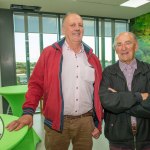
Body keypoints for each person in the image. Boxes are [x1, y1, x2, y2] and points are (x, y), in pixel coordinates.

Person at [7, 12, 103, 150]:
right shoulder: (49, 53)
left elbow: (98, 92)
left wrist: (98, 122)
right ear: (64, 29)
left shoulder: (92, 58)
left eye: (80, 25)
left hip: (85, 122)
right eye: (72, 25)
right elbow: (36, 85)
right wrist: (28, 112)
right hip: (56, 123)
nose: (77, 28)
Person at [100, 31, 150, 150]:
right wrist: (138, 97)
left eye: (128, 43)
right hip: (118, 138)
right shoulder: (108, 73)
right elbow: (108, 102)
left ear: (135, 46)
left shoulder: (148, 70)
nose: (123, 48)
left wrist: (120, 99)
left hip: (147, 137)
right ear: (115, 49)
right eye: (119, 44)